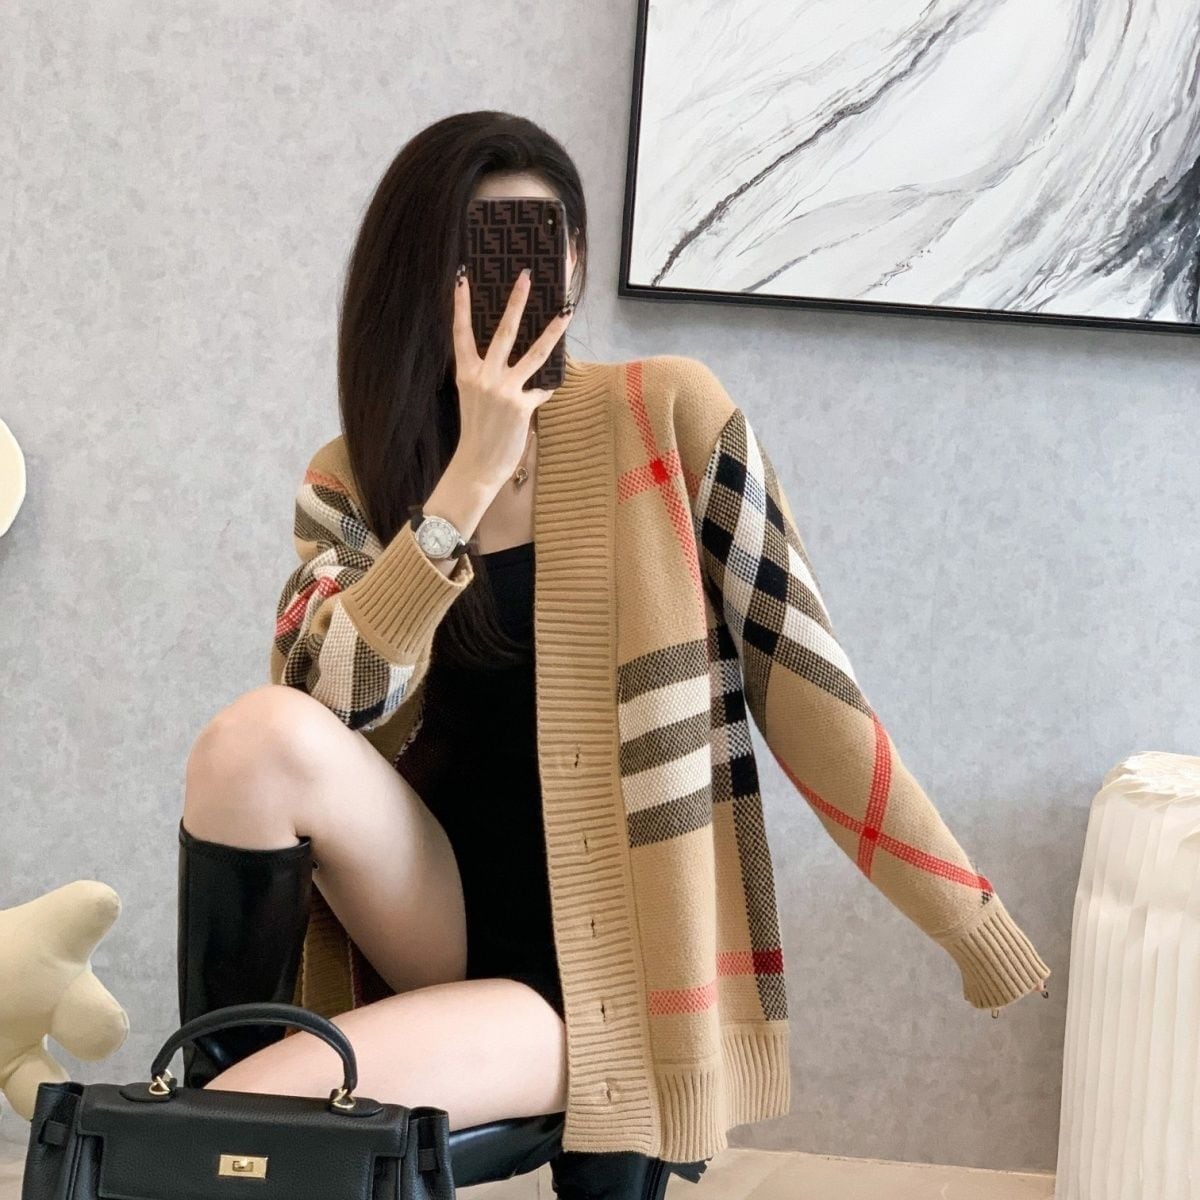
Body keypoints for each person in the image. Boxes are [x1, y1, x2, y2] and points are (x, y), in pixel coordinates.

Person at [175, 111, 1050, 1200]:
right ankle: (198, 1091)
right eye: (476, 251)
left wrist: (969, 920)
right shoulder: (352, 475)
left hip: (607, 976)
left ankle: (199, 1127)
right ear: (420, 273)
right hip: (434, 923)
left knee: (249, 1117)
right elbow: (319, 705)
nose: (515, 281)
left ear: (576, 262)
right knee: (253, 739)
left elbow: (809, 689)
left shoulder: (670, 415)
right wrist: (464, 487)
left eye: (542, 246)